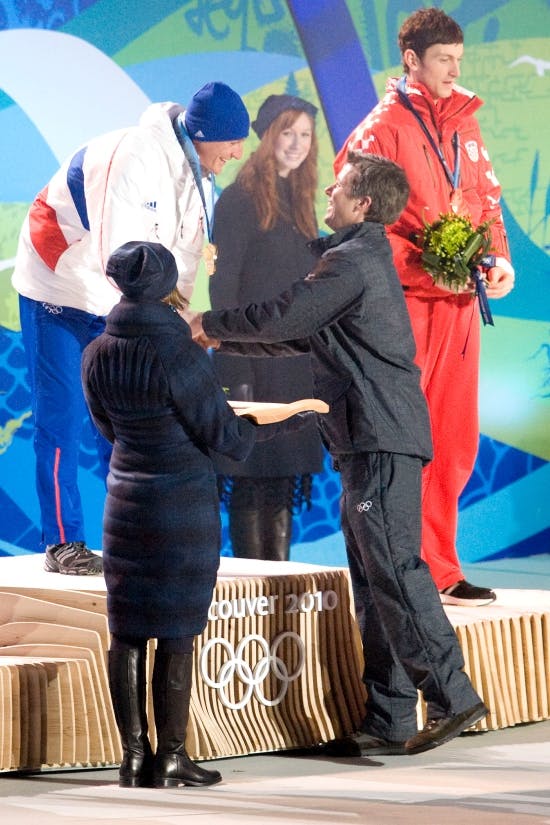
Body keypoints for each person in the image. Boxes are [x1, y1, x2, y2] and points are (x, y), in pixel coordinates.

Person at [193, 152, 488, 756]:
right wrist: (219, 333)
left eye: (341, 185)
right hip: (370, 439)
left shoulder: (351, 261)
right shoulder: (355, 261)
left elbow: (286, 316)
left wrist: (209, 320)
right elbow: (305, 336)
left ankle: (454, 697)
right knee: (374, 582)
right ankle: (390, 718)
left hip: (380, 437)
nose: (328, 188)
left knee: (396, 570)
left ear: (362, 204)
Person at [81, 240, 313, 788]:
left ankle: (133, 758)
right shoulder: (181, 353)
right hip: (180, 505)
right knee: (178, 633)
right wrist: (293, 420)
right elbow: (227, 439)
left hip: (124, 504)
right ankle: (172, 757)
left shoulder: (96, 352)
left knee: (128, 633)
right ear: (168, 285)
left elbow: (107, 430)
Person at [11, 81, 249, 575]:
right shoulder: (134, 158)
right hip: (59, 286)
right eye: (232, 141)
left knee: (127, 424)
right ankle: (61, 542)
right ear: (204, 133)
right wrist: (155, 331)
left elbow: (180, 264)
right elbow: (118, 259)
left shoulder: (200, 173)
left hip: (113, 296)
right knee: (62, 419)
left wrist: (183, 322)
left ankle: (135, 534)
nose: (238, 152)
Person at [333, 7, 515, 606]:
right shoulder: (380, 128)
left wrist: (495, 257)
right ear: (412, 60)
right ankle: (400, 571)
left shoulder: (465, 122)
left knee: (455, 441)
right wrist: (424, 264)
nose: (454, 71)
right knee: (405, 442)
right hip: (406, 306)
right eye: (444, 61)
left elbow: (484, 198)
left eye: (458, 60)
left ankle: (440, 566)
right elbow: (352, 219)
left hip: (461, 306)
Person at [209, 94, 324, 561]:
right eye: (287, 132)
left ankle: (279, 589)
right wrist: (239, 364)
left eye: (305, 135)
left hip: (294, 366)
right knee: (249, 480)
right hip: (248, 365)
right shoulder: (239, 199)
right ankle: (253, 591)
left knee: (281, 482)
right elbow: (223, 291)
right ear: (266, 135)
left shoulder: (301, 201)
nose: (296, 144)